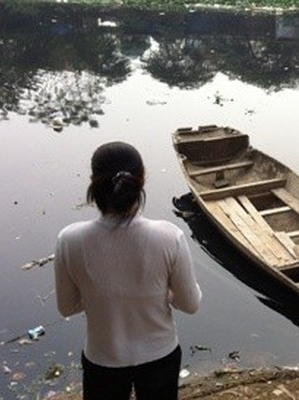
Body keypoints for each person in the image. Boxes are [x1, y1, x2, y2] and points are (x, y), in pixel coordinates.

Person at [54, 141, 202, 400]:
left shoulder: (69, 240)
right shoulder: (169, 237)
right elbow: (190, 304)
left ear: (94, 182)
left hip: (102, 358)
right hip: (159, 355)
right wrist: (162, 294)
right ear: (140, 181)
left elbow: (67, 307)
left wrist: (98, 295)